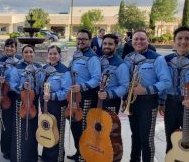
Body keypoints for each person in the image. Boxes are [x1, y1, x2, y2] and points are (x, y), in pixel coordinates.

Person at [124, 30, 171, 162]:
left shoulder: (157, 58)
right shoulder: (128, 58)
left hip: (148, 102)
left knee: (146, 138)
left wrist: (146, 90)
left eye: (142, 39)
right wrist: (124, 99)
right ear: (131, 41)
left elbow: (166, 82)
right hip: (132, 102)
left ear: (148, 41)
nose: (139, 42)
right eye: (136, 39)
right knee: (135, 136)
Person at [161, 26, 189, 153]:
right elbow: (161, 82)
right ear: (174, 40)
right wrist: (161, 102)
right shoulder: (165, 61)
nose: (183, 41)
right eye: (180, 38)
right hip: (170, 103)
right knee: (170, 139)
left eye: (187, 38)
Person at [67, 29, 101, 161]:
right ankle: (79, 151)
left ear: (90, 40)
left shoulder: (93, 58)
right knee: (74, 126)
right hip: (74, 97)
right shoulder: (77, 55)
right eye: (79, 39)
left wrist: (81, 86)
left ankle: (84, 156)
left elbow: (96, 78)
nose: (80, 41)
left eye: (84, 39)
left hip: (86, 96)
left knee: (83, 128)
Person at [39, 45, 71, 162]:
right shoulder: (45, 68)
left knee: (57, 131)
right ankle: (47, 156)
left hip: (58, 105)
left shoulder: (64, 70)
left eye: (55, 54)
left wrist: (52, 96)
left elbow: (67, 91)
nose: (52, 56)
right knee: (46, 128)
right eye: (50, 54)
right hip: (45, 104)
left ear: (60, 55)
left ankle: (57, 158)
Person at [9, 44, 42, 162]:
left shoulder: (38, 67)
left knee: (33, 129)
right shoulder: (17, 68)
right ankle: (19, 157)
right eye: (26, 52)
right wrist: (22, 86)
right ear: (22, 54)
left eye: (31, 52)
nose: (29, 54)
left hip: (33, 101)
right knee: (20, 130)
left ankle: (32, 156)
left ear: (34, 53)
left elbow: (41, 84)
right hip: (21, 101)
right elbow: (12, 84)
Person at [0, 38, 22, 160]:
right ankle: (6, 149)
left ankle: (16, 147)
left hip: (19, 95)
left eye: (12, 47)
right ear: (4, 48)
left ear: (16, 48)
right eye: (7, 46)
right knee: (6, 123)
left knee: (18, 122)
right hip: (5, 95)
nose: (9, 49)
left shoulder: (21, 61)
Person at [98, 34, 129, 114]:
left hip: (111, 102)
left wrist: (108, 94)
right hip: (96, 100)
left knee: (110, 126)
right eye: (104, 44)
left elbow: (125, 87)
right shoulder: (99, 60)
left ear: (116, 46)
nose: (106, 46)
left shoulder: (121, 65)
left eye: (110, 44)